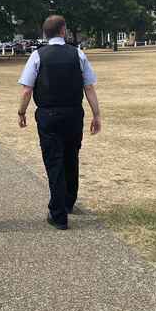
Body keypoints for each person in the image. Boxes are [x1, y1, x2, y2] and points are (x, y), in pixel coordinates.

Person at [17, 15, 101, 230]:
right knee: (71, 157)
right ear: (63, 30)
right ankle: (68, 201)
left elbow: (27, 88)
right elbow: (89, 87)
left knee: (54, 161)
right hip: (73, 112)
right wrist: (96, 114)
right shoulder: (78, 54)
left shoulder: (37, 56)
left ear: (46, 33)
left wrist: (22, 111)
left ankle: (58, 214)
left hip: (48, 114)